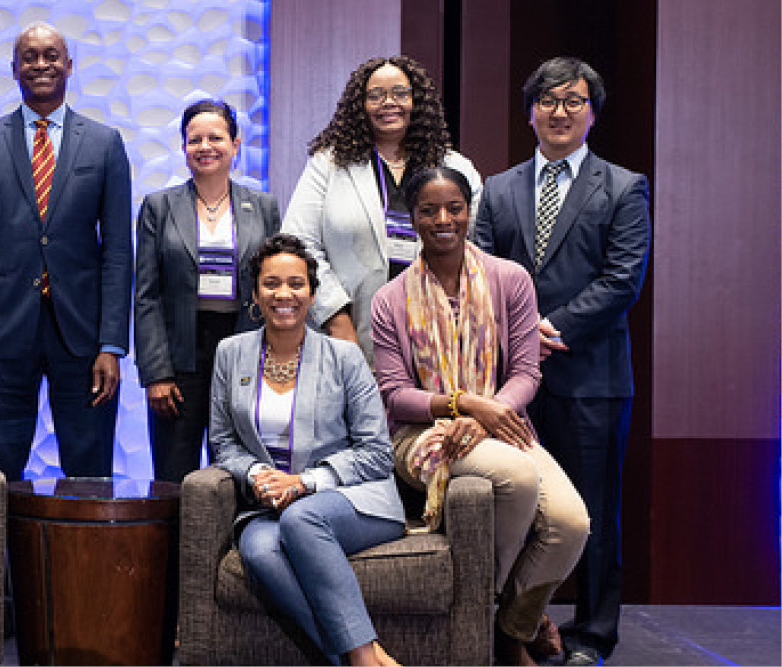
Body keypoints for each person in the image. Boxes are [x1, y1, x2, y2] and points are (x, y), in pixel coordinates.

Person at [371, 167, 589, 666]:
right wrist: (465, 405)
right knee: (512, 477)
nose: (442, 219)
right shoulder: (391, 299)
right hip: (422, 436)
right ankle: (500, 630)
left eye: (454, 208)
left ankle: (510, 621)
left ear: (470, 211)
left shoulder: (509, 279)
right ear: (412, 217)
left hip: (504, 424)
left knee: (570, 522)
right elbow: (396, 395)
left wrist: (492, 413)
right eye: (428, 210)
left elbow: (527, 372)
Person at [473, 57, 651, 667]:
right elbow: (480, 273)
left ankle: (593, 636)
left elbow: (622, 279)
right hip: (511, 381)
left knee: (593, 512)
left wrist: (550, 327)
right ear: (530, 112)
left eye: (573, 101)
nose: (559, 112)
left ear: (592, 112)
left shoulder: (625, 187)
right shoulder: (496, 189)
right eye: (548, 100)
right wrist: (520, 334)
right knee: (518, 505)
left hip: (591, 379)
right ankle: (516, 630)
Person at [210, 233, 405, 666]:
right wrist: (257, 475)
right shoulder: (231, 354)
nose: (284, 294)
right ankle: (362, 659)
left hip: (353, 500)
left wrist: (306, 482)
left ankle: (361, 659)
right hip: (267, 504)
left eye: (296, 284)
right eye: (271, 284)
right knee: (258, 550)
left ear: (313, 294)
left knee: (302, 516)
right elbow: (223, 441)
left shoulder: (344, 357)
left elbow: (377, 452)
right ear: (255, 294)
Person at [0, 21, 132, 481]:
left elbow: (117, 253)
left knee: (90, 469)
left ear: (69, 65)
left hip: (85, 338)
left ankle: (87, 555)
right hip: (1, 336)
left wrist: (112, 343)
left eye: (51, 55)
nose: (41, 64)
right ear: (14, 69)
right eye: (29, 57)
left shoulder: (105, 143)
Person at [281, 55, 480, 362]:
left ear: (418, 101)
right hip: (348, 335)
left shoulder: (455, 168)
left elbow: (475, 249)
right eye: (376, 95)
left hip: (439, 334)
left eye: (400, 93)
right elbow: (299, 244)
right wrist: (337, 318)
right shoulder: (328, 165)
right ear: (360, 105)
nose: (389, 102)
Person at [134, 99, 280, 483]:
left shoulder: (262, 207)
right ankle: (172, 545)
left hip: (244, 347)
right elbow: (146, 295)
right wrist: (156, 373)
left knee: (236, 469)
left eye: (215, 137)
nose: (205, 147)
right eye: (194, 139)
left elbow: (275, 286)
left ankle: (230, 543)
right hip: (180, 353)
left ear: (235, 144)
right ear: (183, 148)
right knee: (173, 471)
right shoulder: (159, 206)